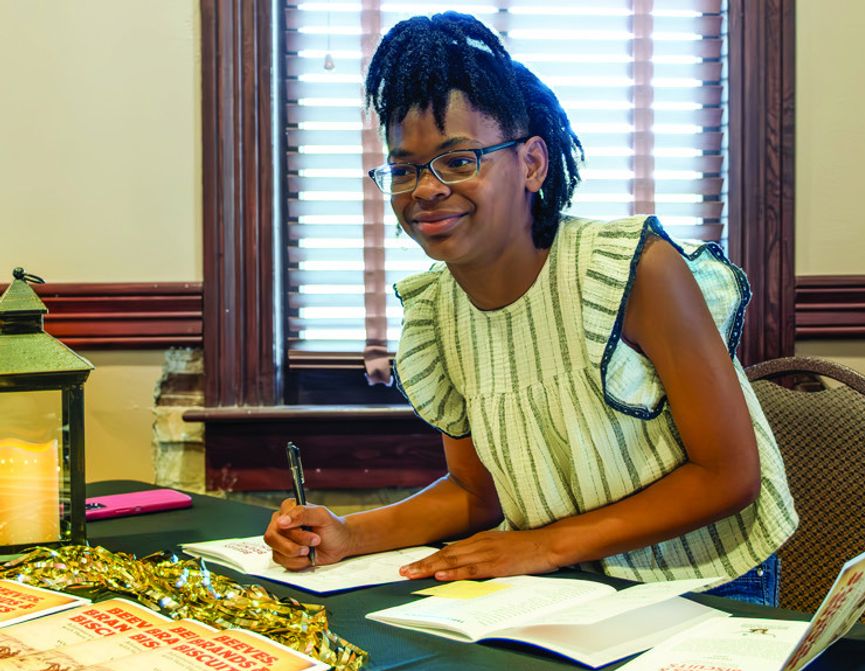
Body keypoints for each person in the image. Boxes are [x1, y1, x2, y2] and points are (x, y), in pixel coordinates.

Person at [263, 11, 798, 605]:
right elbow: (476, 493)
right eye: (405, 169)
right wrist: (347, 533)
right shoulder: (437, 312)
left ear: (533, 164)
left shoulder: (633, 269)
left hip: (706, 582)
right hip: (566, 585)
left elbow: (728, 476)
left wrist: (541, 546)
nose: (426, 189)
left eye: (459, 161)